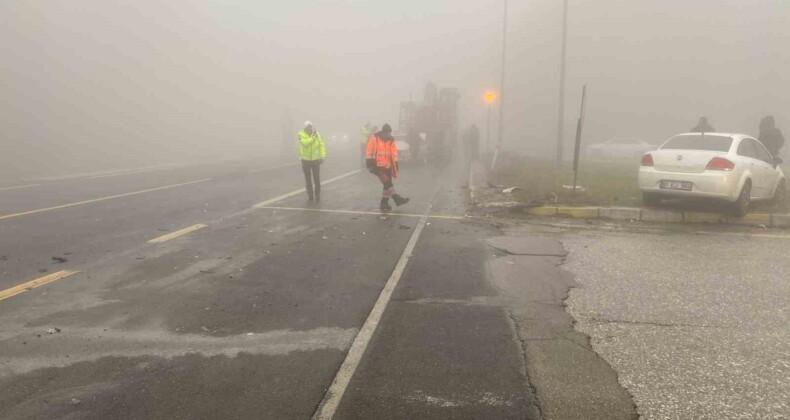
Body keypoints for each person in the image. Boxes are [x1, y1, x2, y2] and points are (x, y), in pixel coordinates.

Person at [366, 123, 409, 212]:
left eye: (389, 133)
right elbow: (369, 151)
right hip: (376, 165)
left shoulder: (391, 140)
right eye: (386, 133)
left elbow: (393, 154)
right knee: (387, 183)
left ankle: (384, 203)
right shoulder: (374, 138)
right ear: (382, 132)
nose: (387, 135)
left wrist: (395, 166)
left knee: (387, 185)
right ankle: (397, 198)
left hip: (387, 166)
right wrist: (369, 165)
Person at [298, 121, 326, 202]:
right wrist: (313, 138)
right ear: (305, 129)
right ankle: (310, 195)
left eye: (311, 127)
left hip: (315, 160)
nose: (310, 129)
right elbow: (304, 143)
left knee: (316, 178)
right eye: (308, 128)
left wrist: (323, 156)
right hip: (305, 160)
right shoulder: (300, 134)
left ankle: (317, 193)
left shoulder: (317, 134)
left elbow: (321, 145)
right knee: (308, 179)